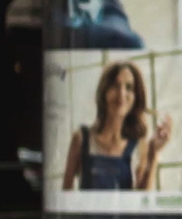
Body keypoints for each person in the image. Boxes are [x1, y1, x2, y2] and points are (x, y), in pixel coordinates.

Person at [61, 61, 172, 192]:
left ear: (136, 97)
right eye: (115, 85)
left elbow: (142, 202)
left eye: (129, 87)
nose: (121, 94)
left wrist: (154, 153)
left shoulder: (139, 146)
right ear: (104, 91)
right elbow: (65, 195)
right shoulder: (81, 139)